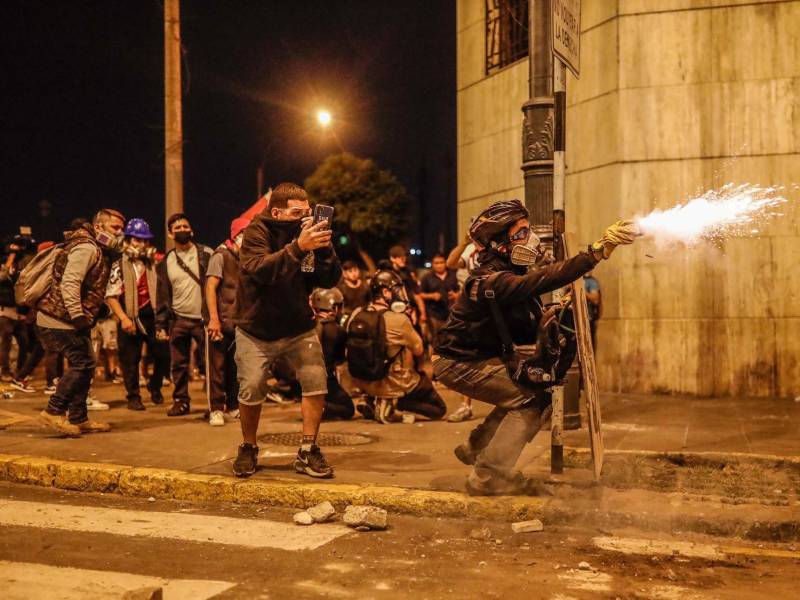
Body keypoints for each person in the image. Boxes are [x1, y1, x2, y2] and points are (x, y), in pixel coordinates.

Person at [433, 199, 637, 496]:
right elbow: (543, 280)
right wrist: (595, 252)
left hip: (475, 359)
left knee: (526, 390)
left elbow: (527, 314)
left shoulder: (509, 275)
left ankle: (477, 446)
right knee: (531, 400)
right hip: (456, 363)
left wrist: (550, 313)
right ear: (499, 242)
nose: (529, 238)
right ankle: (488, 477)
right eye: (520, 233)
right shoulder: (493, 279)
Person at [232, 182, 342, 478]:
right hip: (255, 327)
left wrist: (324, 248)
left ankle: (308, 450)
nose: (303, 217)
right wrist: (298, 247)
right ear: (277, 212)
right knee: (252, 385)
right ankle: (249, 446)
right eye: (296, 212)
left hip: (297, 325)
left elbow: (330, 278)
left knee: (316, 380)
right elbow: (260, 269)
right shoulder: (256, 232)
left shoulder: (305, 233)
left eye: (307, 211)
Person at [36, 209, 126, 436]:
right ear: (98, 228)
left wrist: (97, 308)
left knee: (87, 365)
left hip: (69, 318)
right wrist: (78, 316)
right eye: (115, 228)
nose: (120, 233)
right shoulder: (86, 247)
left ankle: (78, 417)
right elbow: (70, 282)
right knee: (82, 363)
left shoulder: (98, 250)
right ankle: (54, 411)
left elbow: (89, 285)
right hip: (59, 318)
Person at [349, 269, 446, 423]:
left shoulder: (356, 313)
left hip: (362, 381)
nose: (399, 294)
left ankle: (371, 399)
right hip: (394, 382)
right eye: (396, 290)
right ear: (386, 292)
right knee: (439, 409)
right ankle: (393, 402)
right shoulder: (398, 319)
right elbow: (419, 349)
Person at [106, 218, 170, 411]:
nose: (141, 244)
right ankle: (133, 396)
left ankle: (155, 385)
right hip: (130, 317)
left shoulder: (155, 264)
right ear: (128, 240)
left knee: (163, 355)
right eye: (136, 240)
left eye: (144, 241)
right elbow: (111, 295)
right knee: (130, 360)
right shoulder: (119, 265)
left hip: (153, 318)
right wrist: (124, 318)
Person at [156, 213, 213, 417]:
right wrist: (161, 324)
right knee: (178, 364)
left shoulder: (206, 253)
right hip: (178, 319)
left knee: (210, 363)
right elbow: (162, 296)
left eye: (185, 226)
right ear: (170, 234)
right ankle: (180, 401)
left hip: (204, 320)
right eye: (177, 228)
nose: (181, 230)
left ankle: (213, 403)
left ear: (192, 230)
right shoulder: (165, 262)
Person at [204, 217, 249, 426]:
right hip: (219, 321)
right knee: (217, 367)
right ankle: (215, 408)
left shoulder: (246, 259)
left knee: (235, 367)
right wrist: (213, 319)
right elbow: (211, 287)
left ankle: (232, 406)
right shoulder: (220, 256)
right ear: (237, 236)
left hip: (238, 323)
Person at [310, 287, 354, 421]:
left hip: (299, 379)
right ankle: (317, 407)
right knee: (348, 408)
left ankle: (312, 403)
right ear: (334, 307)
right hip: (325, 380)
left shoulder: (307, 325)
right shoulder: (338, 330)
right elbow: (340, 360)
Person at [0, 235, 32, 387]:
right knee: (5, 343)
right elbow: (2, 276)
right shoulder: (4, 264)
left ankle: (20, 372)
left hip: (18, 311)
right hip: (4, 311)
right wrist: (11, 256)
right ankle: (5, 371)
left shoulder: (20, 265)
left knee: (24, 343)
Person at [418, 253, 459, 345]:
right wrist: (431, 296)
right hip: (434, 314)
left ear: (445, 263)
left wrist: (455, 295)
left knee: (451, 340)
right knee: (436, 340)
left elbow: (460, 291)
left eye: (441, 262)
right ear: (433, 264)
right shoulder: (427, 277)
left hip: (451, 314)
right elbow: (419, 294)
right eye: (436, 263)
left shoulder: (453, 275)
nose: (439, 265)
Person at [387, 245, 427, 326]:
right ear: (392, 258)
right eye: (399, 257)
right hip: (393, 313)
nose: (403, 259)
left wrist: (420, 312)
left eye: (404, 256)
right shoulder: (387, 274)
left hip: (409, 311)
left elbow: (415, 293)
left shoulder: (407, 272)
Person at [583, 271, 601, 349]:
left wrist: (582, 292)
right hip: (578, 319)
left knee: (589, 346)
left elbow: (595, 299)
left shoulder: (591, 282)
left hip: (589, 319)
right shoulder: (579, 280)